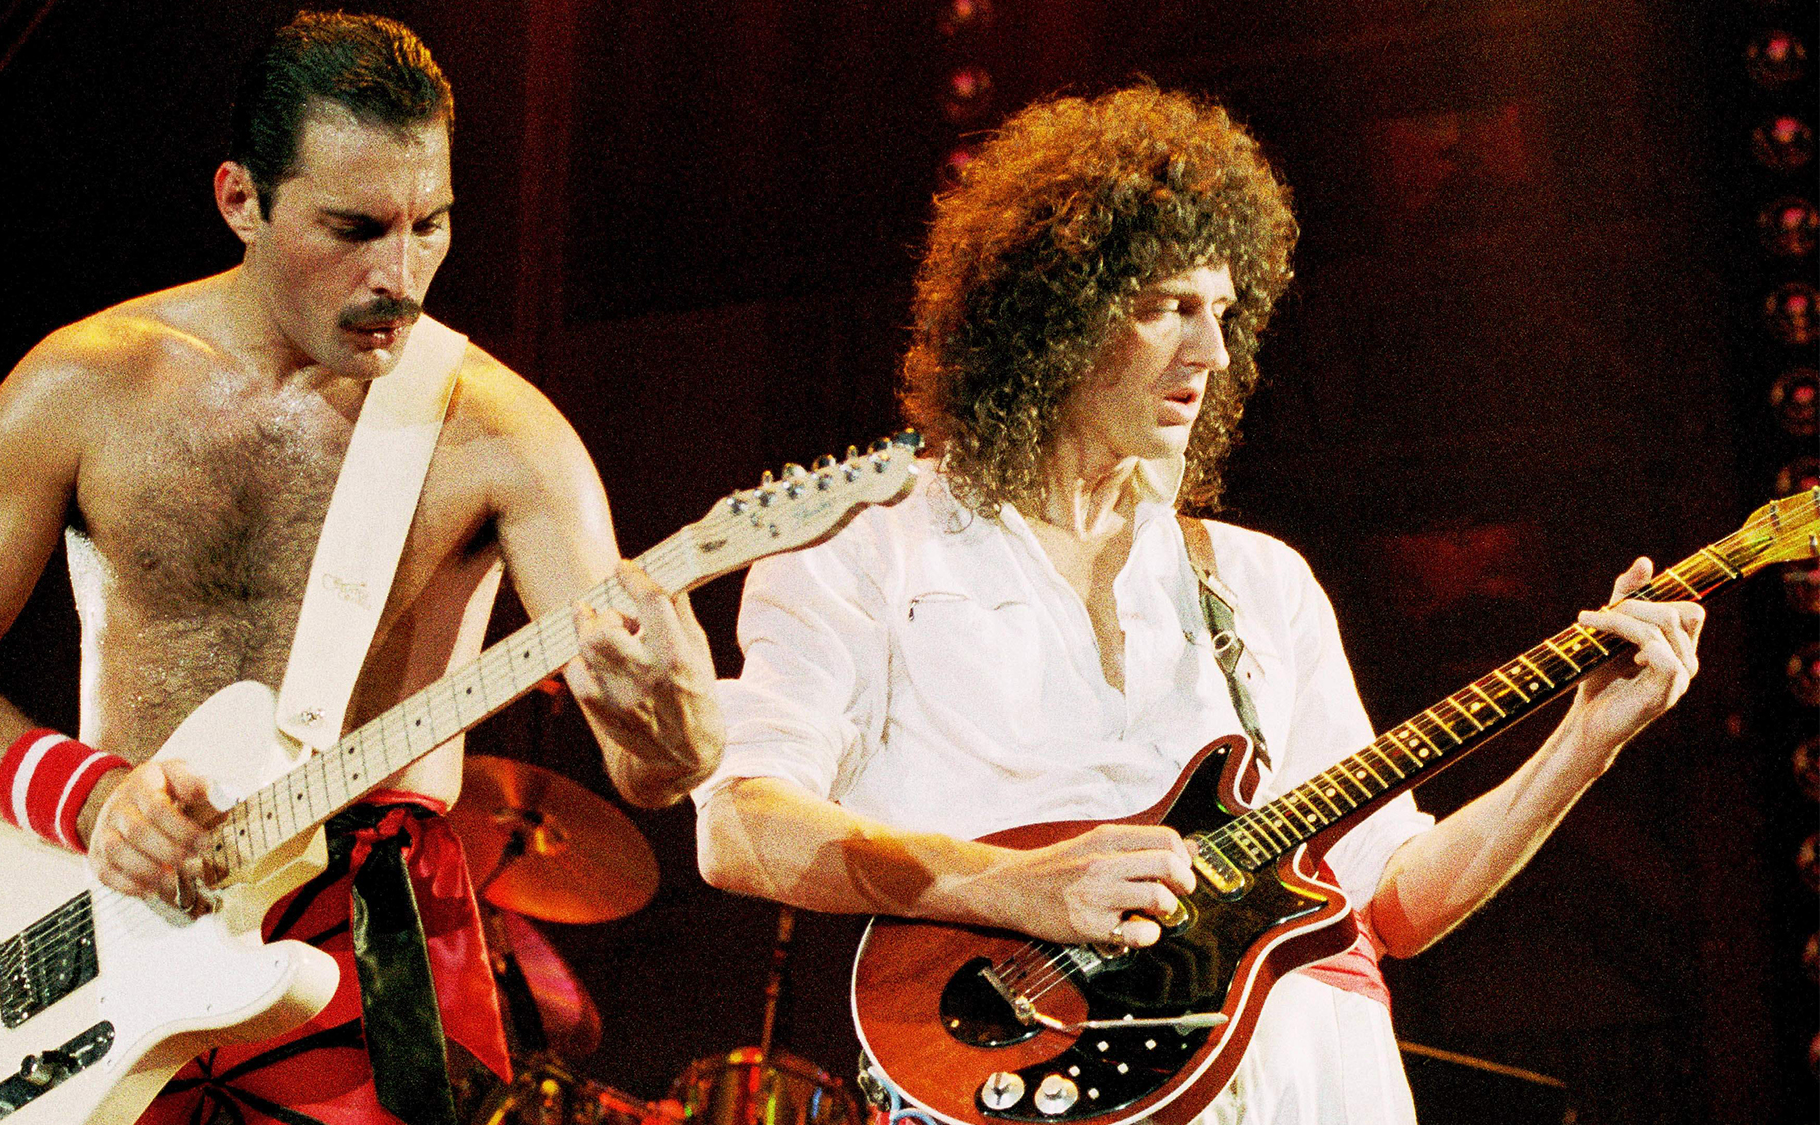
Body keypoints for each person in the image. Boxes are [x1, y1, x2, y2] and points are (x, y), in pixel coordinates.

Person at [693, 85, 1702, 1123]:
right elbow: (740, 825)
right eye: (1167, 307)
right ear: (1046, 315)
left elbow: (1394, 900)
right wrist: (1007, 886)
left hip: (1322, 1089)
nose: (1211, 353)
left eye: (1222, 311)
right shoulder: (867, 549)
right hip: (1028, 1079)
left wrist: (1583, 741)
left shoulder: (1258, 578)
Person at [0, 12, 723, 1125]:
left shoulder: (507, 437)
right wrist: (94, 798)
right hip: (114, 920)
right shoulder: (83, 385)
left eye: (430, 224)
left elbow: (650, 770)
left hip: (366, 941)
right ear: (240, 199)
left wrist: (675, 724)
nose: (399, 274)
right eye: (354, 228)